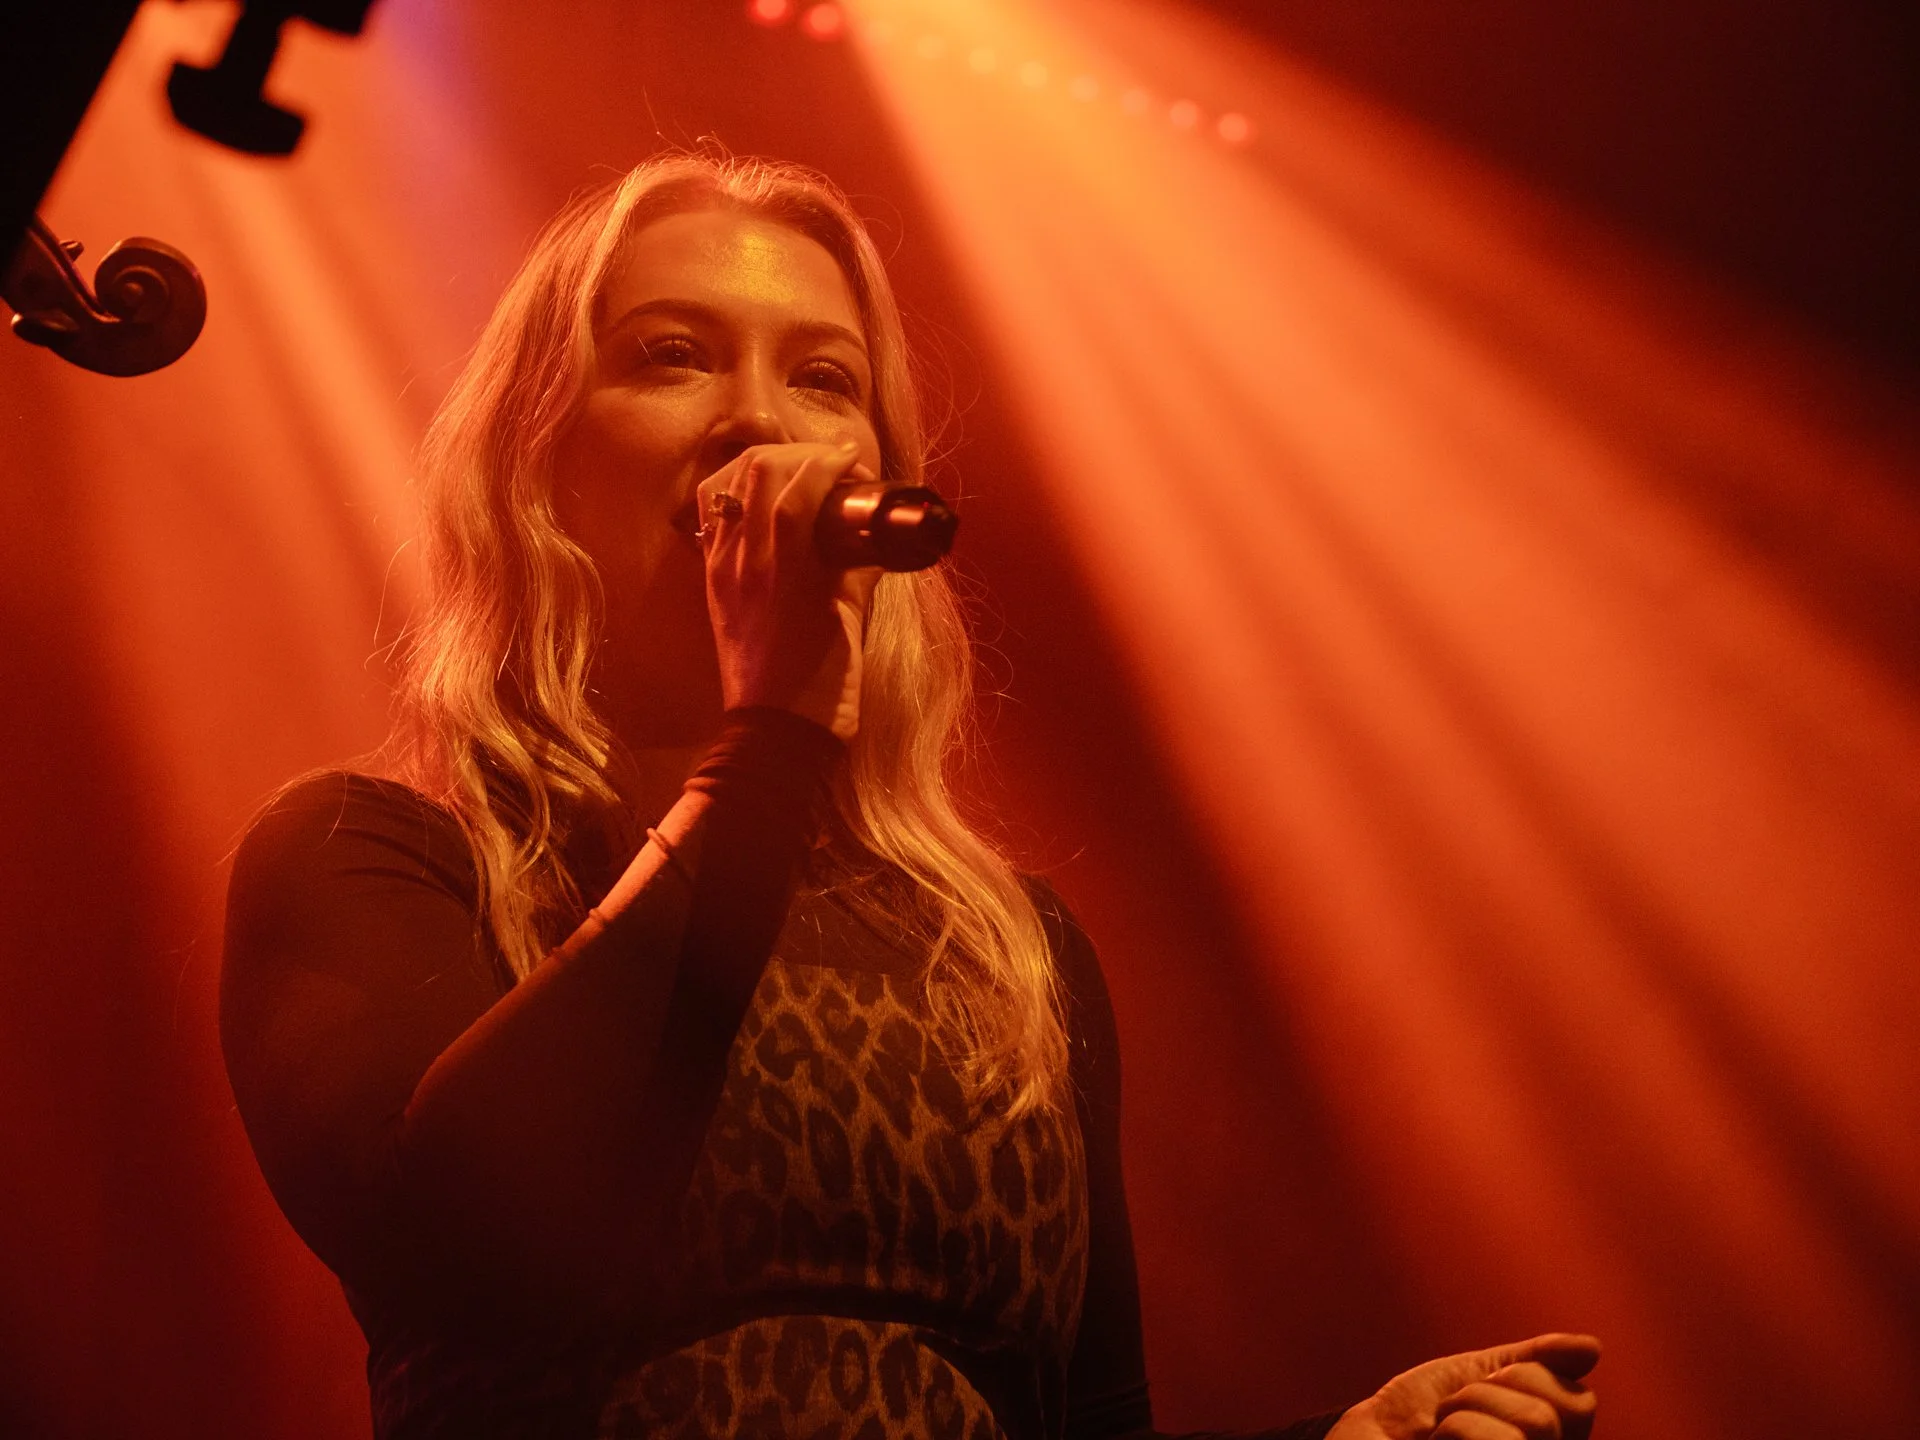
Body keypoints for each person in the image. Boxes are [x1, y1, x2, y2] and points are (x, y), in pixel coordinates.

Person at [221, 153, 1602, 1440]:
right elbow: (488, 1243)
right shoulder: (374, 860)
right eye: (674, 356)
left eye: (824, 377)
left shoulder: (1007, 949)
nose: (759, 418)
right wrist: (768, 740)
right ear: (536, 460)